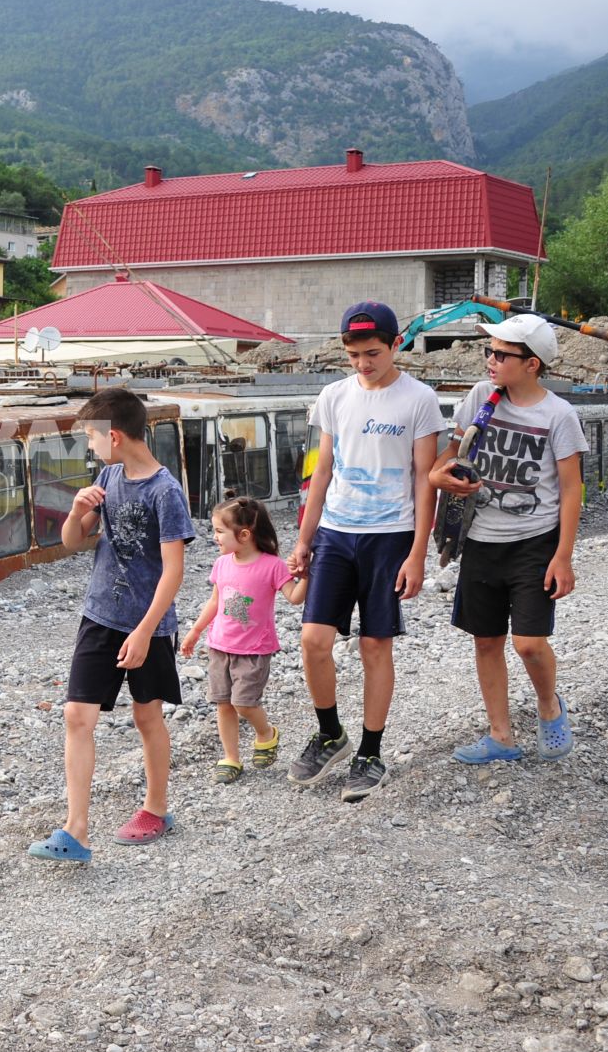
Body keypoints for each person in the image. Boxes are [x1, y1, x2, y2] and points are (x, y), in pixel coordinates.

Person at [289, 302, 449, 802]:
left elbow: (427, 482)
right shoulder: (334, 396)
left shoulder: (420, 400)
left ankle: (371, 751)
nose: (363, 363)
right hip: (336, 532)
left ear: (396, 344)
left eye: (373, 353)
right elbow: (323, 472)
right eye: (354, 355)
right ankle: (331, 733)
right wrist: (304, 539)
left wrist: (419, 552)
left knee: (374, 645)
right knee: (314, 640)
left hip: (391, 536)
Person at [30, 387, 194, 863]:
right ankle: (75, 831)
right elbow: (71, 543)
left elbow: (174, 570)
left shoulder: (166, 492)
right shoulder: (108, 476)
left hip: (149, 624)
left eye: (91, 437)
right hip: (100, 615)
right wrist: (78, 511)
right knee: (76, 716)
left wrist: (145, 631)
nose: (89, 447)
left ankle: (156, 809)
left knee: (147, 715)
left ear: (115, 436)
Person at [428, 314, 583, 763]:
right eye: (489, 352)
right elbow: (450, 455)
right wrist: (442, 478)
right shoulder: (481, 397)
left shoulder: (559, 415)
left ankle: (549, 706)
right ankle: (501, 736)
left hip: (534, 541)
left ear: (532, 364)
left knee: (529, 643)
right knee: (486, 639)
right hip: (480, 539)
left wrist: (564, 556)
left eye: (501, 354)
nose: (491, 362)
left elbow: (572, 488)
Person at [180, 497, 307, 784]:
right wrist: (196, 630)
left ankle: (266, 733)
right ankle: (231, 757)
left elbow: (295, 598)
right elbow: (215, 601)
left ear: (244, 534)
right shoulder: (222, 564)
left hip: (254, 650)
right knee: (223, 703)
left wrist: (306, 576)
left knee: (244, 704)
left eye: (219, 531)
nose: (214, 538)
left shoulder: (272, 566)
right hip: (219, 647)